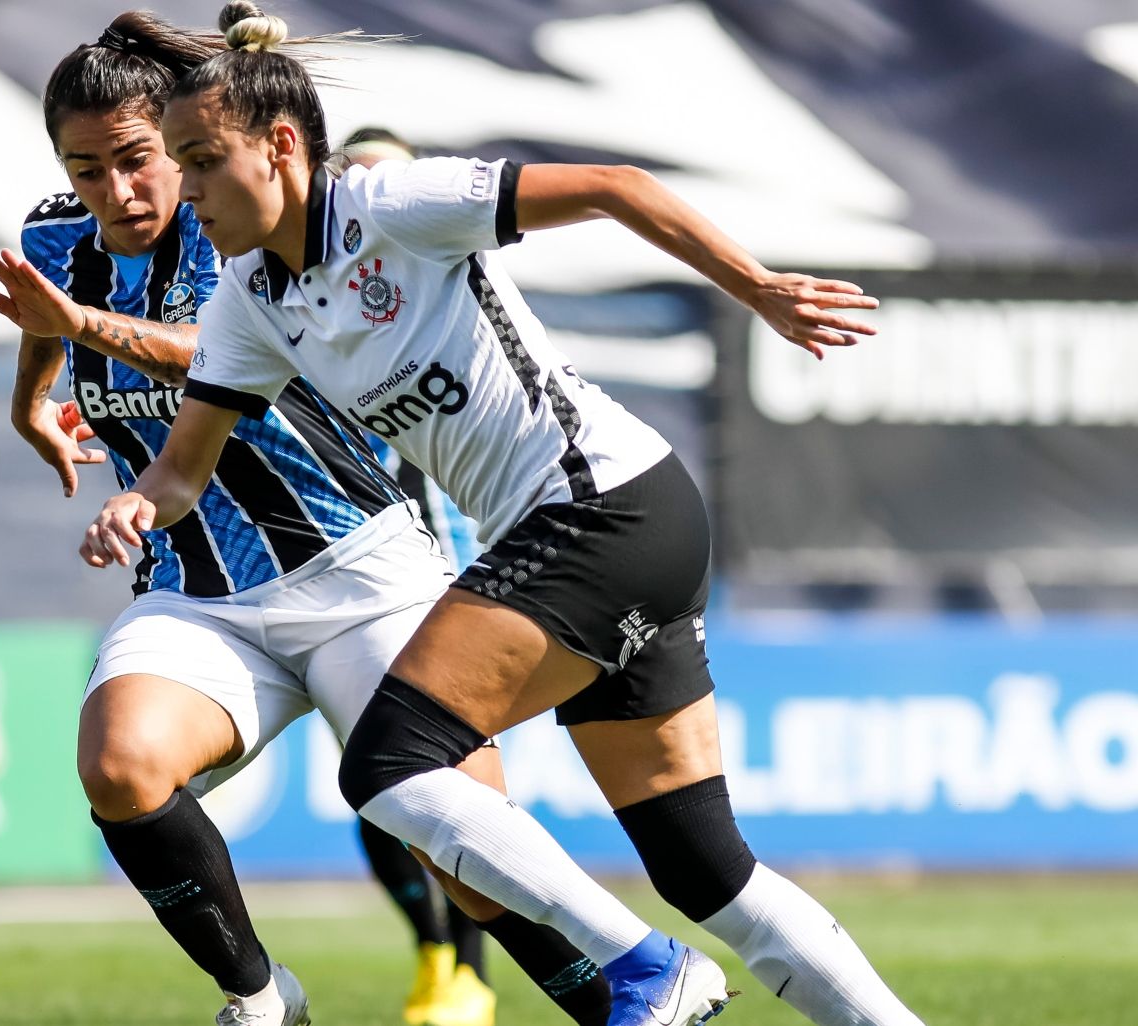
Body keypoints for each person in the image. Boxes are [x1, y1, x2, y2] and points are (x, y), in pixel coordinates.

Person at [85, 5, 926, 1025]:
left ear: (281, 145)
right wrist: (136, 505)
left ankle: (643, 968)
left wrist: (758, 289)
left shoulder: (394, 204)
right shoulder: (249, 301)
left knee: (392, 763)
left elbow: (618, 188)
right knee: (706, 870)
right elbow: (183, 469)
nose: (190, 192)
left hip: (603, 506)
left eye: (202, 161)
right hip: (606, 530)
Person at [0, 13, 609, 1026]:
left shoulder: (244, 223)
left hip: (357, 562)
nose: (117, 192)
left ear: (183, 144)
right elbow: (43, 314)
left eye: (138, 161)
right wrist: (30, 407)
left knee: (470, 852)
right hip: (199, 588)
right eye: (86, 168)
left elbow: (217, 355)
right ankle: (264, 1000)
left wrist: (82, 327)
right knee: (119, 764)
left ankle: (629, 998)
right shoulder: (57, 236)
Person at [336, 125, 502, 1026]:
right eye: (358, 186)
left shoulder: (464, 297)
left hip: (461, 586)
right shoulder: (308, 310)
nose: (378, 205)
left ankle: (472, 968)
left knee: (456, 782)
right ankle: (435, 953)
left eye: (393, 184)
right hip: (355, 590)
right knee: (374, 790)